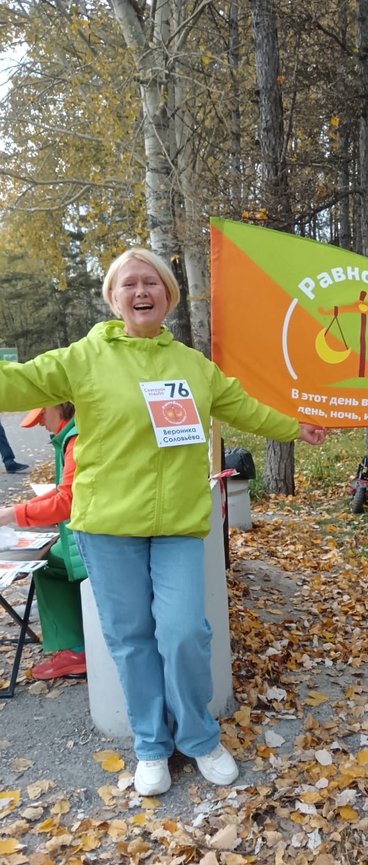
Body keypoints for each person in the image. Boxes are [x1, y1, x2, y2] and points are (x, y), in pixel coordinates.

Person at [0, 247, 327, 796]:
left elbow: (241, 406)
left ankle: (198, 738)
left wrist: (295, 428)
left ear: (168, 295)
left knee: (182, 633)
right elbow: (18, 383)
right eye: (128, 284)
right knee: (130, 639)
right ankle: (151, 746)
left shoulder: (193, 367)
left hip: (177, 521)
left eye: (151, 282)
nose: (141, 291)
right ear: (113, 298)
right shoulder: (84, 357)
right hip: (107, 523)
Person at [0, 405, 87, 678]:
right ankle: (76, 643)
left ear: (60, 407)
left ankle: (74, 649)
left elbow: (68, 501)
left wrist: (12, 514)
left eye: (41, 417)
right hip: (98, 536)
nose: (39, 424)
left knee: (45, 565)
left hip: (97, 541)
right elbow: (64, 494)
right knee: (48, 558)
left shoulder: (74, 438)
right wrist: (23, 511)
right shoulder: (71, 434)